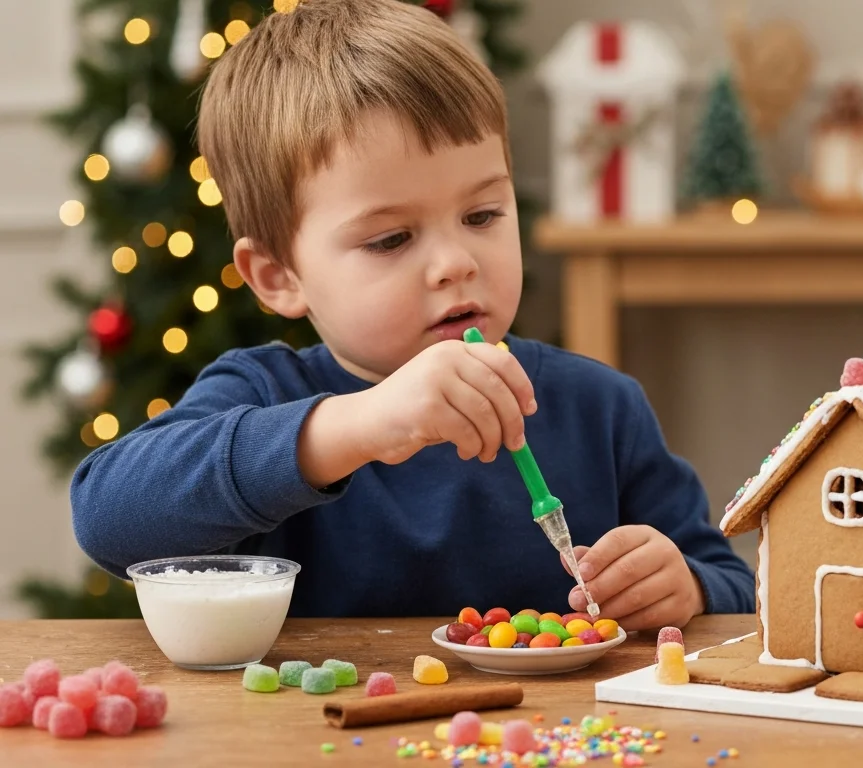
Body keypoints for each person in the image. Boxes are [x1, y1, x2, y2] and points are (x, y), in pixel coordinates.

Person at [69, 0, 754, 628]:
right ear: (278, 277)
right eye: (391, 238)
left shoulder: (601, 408)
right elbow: (108, 519)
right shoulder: (264, 395)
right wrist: (357, 426)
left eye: (483, 214)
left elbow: (734, 587)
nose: (455, 261)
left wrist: (687, 588)